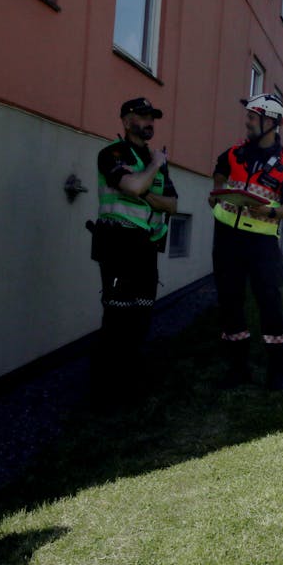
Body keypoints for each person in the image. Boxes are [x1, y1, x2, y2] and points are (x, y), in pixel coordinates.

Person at [210, 93, 283, 391]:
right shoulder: (233, 153)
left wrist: (270, 211)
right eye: (248, 116)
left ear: (271, 122)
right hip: (227, 240)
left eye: (252, 116)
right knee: (229, 304)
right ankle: (237, 368)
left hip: (262, 245)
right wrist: (217, 191)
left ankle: (277, 371)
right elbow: (219, 172)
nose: (247, 122)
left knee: (270, 305)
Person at [91, 97, 178, 400]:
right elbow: (133, 188)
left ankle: (130, 384)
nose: (149, 122)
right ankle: (105, 389)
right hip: (117, 244)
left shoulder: (151, 163)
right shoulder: (111, 154)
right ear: (126, 121)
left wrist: (145, 184)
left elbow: (172, 204)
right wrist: (154, 167)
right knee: (116, 318)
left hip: (145, 247)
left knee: (141, 316)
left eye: (152, 117)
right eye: (142, 117)